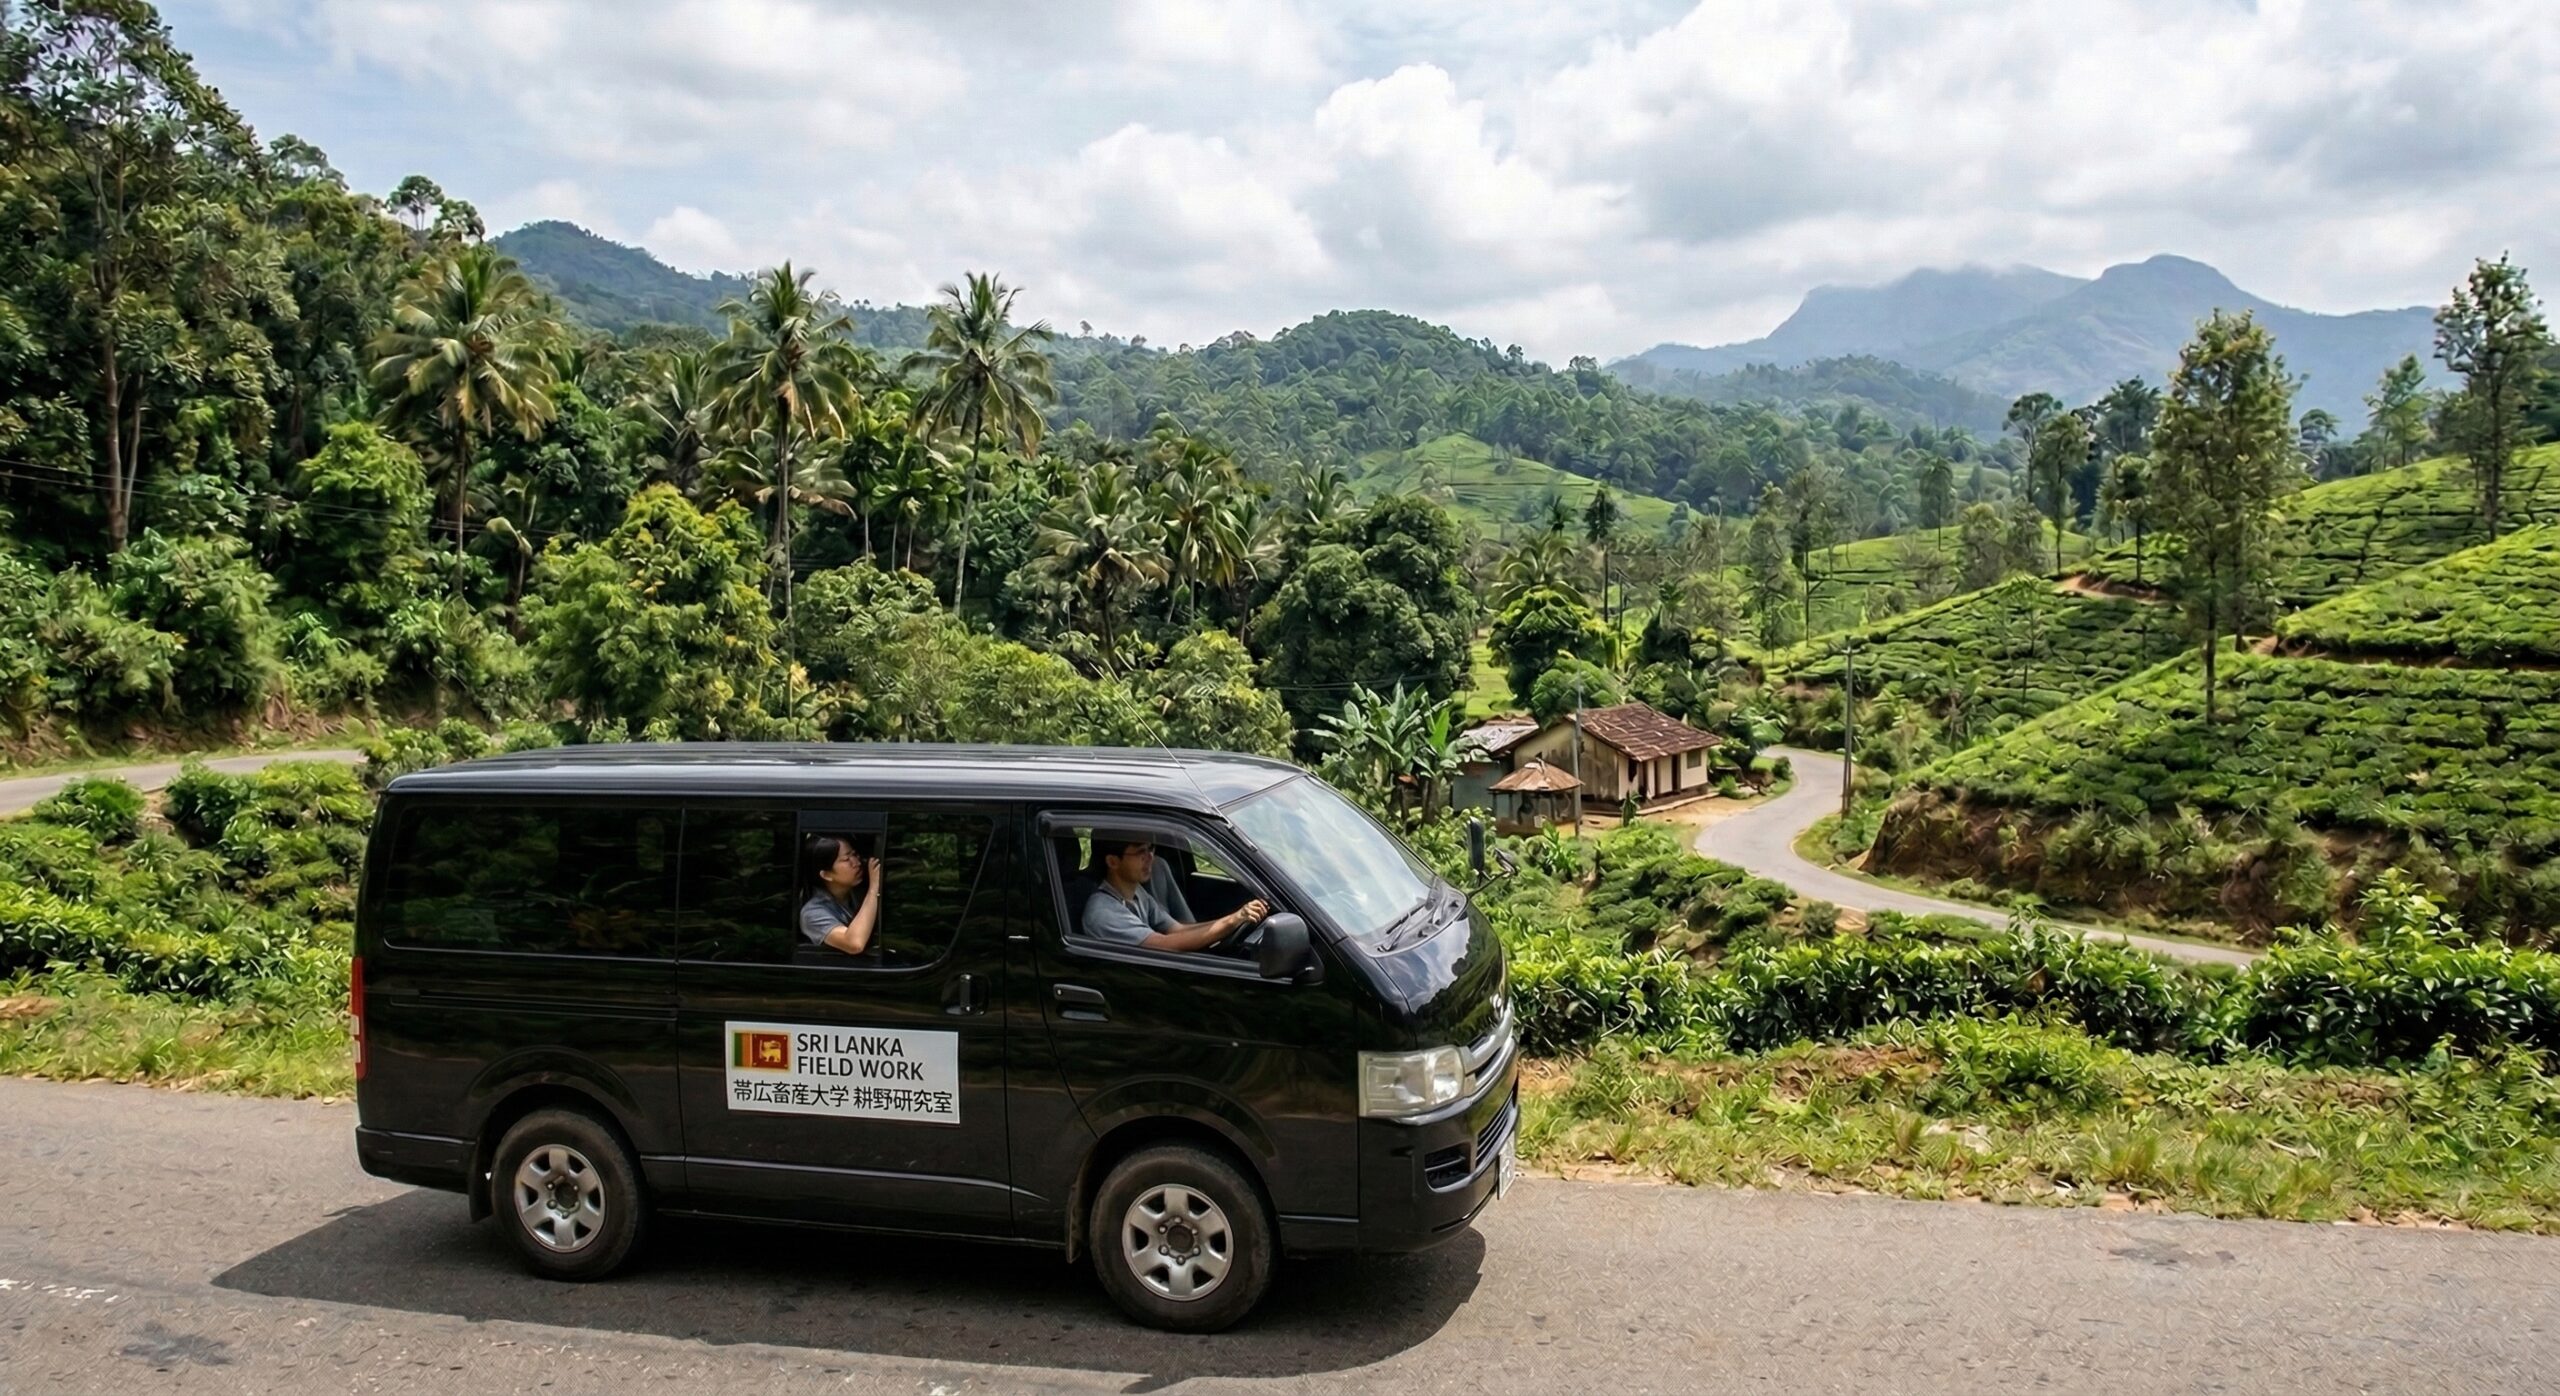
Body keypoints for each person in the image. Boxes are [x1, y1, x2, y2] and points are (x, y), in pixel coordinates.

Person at [1083, 831, 1266, 952]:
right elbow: (1166, 944)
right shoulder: (1103, 913)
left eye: (1151, 849)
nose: (1150, 857)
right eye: (1140, 852)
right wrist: (1233, 920)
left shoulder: (1136, 893)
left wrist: (1234, 920)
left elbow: (1176, 929)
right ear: (1113, 862)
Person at [800, 834, 883, 956]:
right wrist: (873, 889)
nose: (856, 862)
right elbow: (854, 944)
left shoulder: (854, 893)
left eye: (854, 854)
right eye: (846, 859)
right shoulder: (812, 914)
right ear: (826, 875)